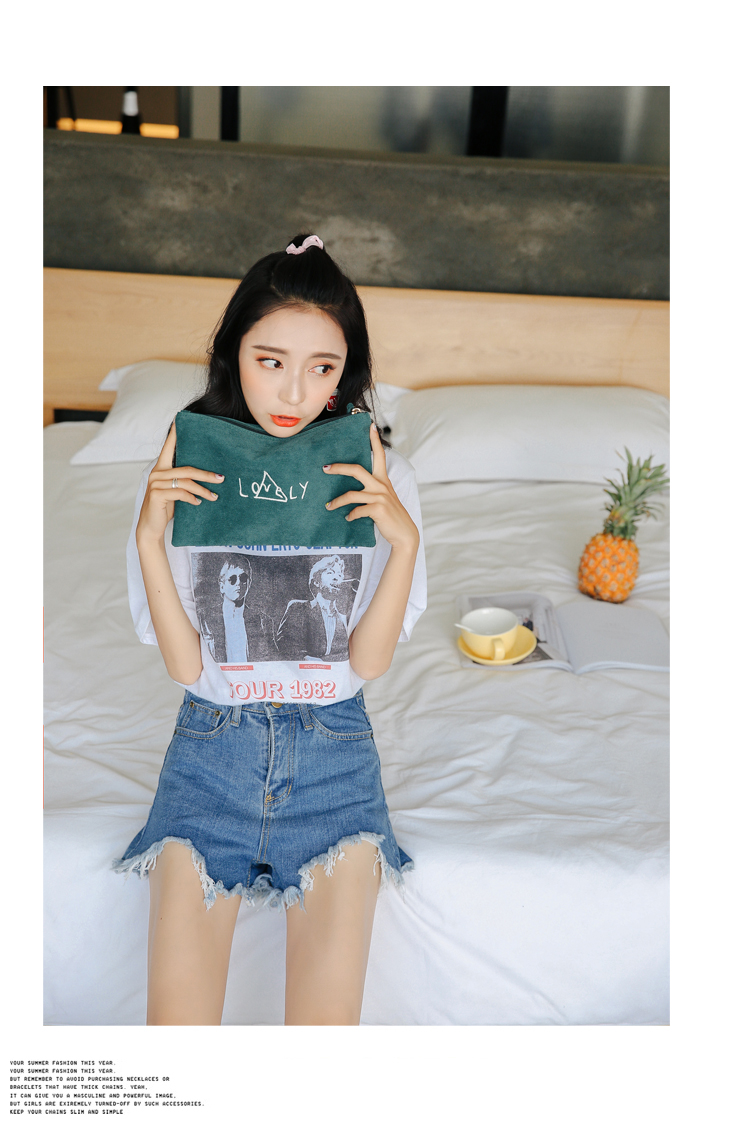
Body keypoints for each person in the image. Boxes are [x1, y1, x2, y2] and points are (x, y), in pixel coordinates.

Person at [113, 234, 426, 1026]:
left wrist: (404, 543)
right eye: (271, 360)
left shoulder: (381, 478)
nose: (294, 390)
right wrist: (150, 536)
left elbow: (367, 663)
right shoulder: (186, 469)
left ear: (346, 371)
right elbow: (188, 668)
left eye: (323, 367)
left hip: (335, 760)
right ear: (232, 353)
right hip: (209, 754)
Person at [276, 554, 357, 662]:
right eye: (330, 573)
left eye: (339, 574)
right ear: (316, 582)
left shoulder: (342, 619)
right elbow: (285, 644)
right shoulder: (298, 608)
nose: (336, 577)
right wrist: (307, 659)